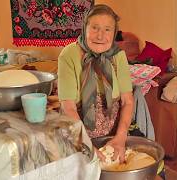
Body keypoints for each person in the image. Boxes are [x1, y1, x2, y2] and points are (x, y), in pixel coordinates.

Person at [57, 4, 134, 163]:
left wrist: (120, 137)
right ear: (84, 28)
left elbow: (127, 101)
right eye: (95, 28)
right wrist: (86, 143)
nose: (100, 36)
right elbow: (68, 107)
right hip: (77, 134)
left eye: (107, 29)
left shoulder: (118, 56)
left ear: (114, 33)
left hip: (112, 133)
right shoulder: (69, 55)